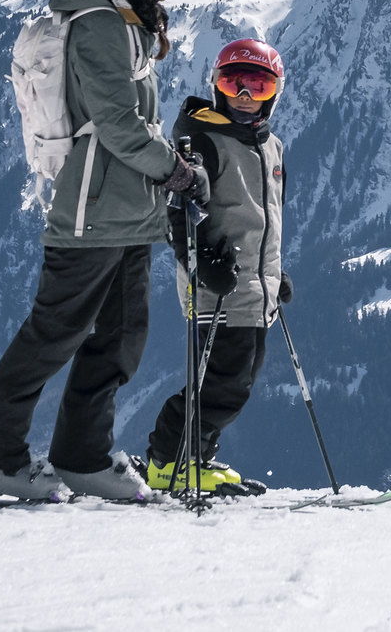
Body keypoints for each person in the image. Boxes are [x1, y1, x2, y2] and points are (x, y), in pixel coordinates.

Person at [0, 0, 206, 502]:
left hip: (129, 211)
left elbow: (131, 122)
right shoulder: (99, 23)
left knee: (121, 339)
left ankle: (81, 457)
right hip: (91, 211)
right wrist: (174, 169)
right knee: (54, 333)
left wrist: (166, 168)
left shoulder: (125, 20)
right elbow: (118, 124)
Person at [144, 38, 290, 495]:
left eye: (258, 86)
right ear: (216, 86)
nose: (245, 96)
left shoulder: (271, 147)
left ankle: (195, 456)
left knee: (236, 381)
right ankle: (169, 463)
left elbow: (263, 220)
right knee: (222, 383)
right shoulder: (203, 140)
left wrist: (274, 274)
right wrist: (203, 262)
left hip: (254, 289)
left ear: (274, 93)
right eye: (234, 83)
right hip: (217, 285)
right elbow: (177, 212)